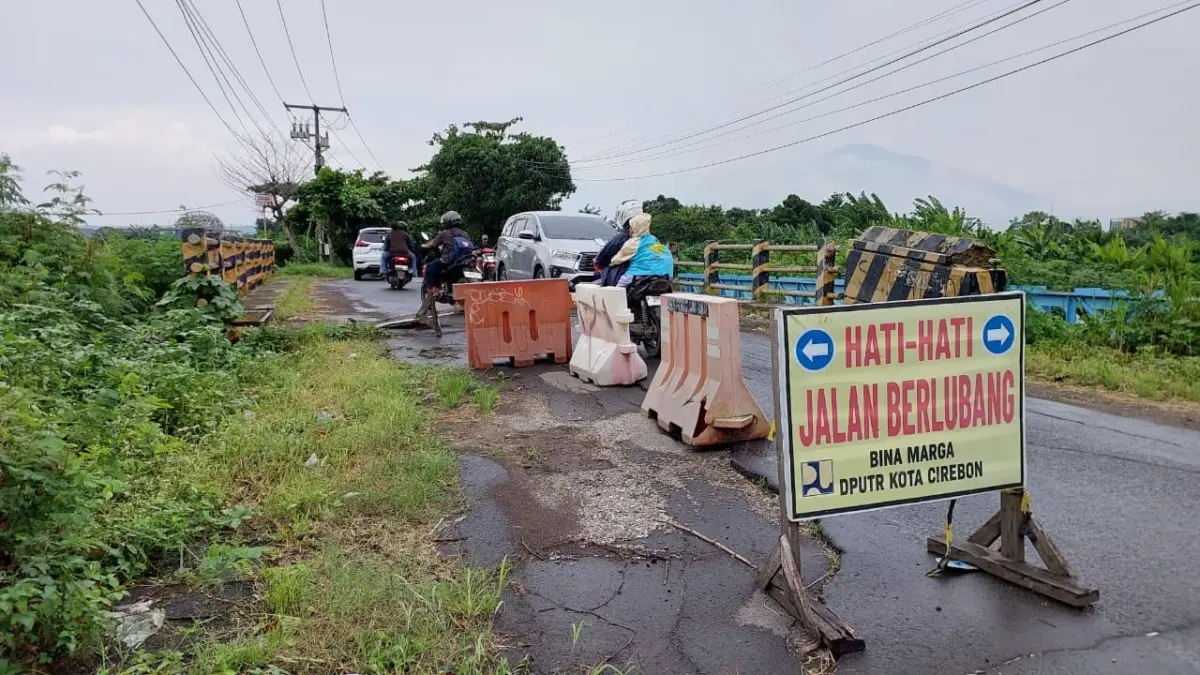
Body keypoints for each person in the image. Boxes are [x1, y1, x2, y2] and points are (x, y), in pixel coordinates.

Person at [609, 212, 673, 287]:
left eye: (631, 226)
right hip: (665, 276)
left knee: (617, 288)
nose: (630, 229)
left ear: (636, 227)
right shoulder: (654, 239)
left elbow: (618, 259)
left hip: (640, 275)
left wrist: (610, 263)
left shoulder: (634, 242)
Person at [421, 210, 474, 290]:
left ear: (447, 221)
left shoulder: (445, 233)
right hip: (465, 260)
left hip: (449, 260)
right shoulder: (465, 233)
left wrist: (422, 246)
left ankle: (432, 290)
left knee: (429, 267)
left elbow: (431, 245)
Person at [595, 199, 642, 286]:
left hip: (629, 279)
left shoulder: (621, 238)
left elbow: (602, 258)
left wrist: (598, 262)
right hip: (653, 276)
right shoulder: (651, 238)